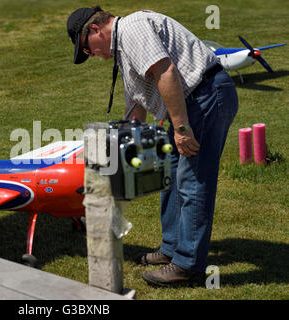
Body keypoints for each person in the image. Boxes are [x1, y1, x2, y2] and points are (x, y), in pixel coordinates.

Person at [67, 6, 238, 286]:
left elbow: (165, 71)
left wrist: (182, 128)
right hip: (190, 103)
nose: (93, 55)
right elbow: (136, 105)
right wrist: (122, 143)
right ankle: (171, 248)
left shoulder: (133, 29)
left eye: (88, 49)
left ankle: (188, 265)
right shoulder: (124, 47)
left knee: (192, 181)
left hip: (203, 98)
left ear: (96, 30)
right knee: (170, 175)